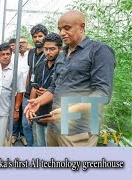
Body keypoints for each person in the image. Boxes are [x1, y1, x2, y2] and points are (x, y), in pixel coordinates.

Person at [24, 10, 116, 147]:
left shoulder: (99, 51)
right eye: (60, 29)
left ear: (82, 27)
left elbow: (102, 95)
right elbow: (55, 86)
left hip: (79, 131)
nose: (62, 33)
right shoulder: (62, 55)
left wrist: (67, 110)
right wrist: (39, 101)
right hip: (55, 127)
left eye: (67, 28)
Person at [28, 33, 62, 146]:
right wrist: (30, 108)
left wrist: (48, 93)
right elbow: (34, 87)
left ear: (60, 49)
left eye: (52, 49)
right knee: (40, 144)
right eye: (46, 49)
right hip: (39, 112)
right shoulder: (40, 66)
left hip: (54, 114)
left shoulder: (63, 67)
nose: (48, 52)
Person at [0, 43, 26, 146]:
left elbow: (20, 91)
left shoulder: (16, 71)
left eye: (8, 54)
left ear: (11, 55)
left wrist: (16, 110)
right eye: (3, 54)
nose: (5, 56)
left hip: (3, 109)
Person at [22, 24, 48, 147]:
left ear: (45, 37)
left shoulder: (49, 54)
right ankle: (30, 146)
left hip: (40, 95)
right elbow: (30, 71)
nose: (37, 39)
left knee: (38, 125)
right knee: (26, 123)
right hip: (28, 93)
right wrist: (25, 88)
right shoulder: (31, 52)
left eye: (40, 36)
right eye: (35, 36)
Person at [11, 36, 29, 146]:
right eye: (19, 43)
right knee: (15, 112)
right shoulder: (13, 57)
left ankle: (23, 135)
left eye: (23, 42)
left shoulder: (30, 55)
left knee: (24, 113)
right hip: (16, 90)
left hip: (27, 91)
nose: (21, 44)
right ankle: (13, 134)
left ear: (27, 44)